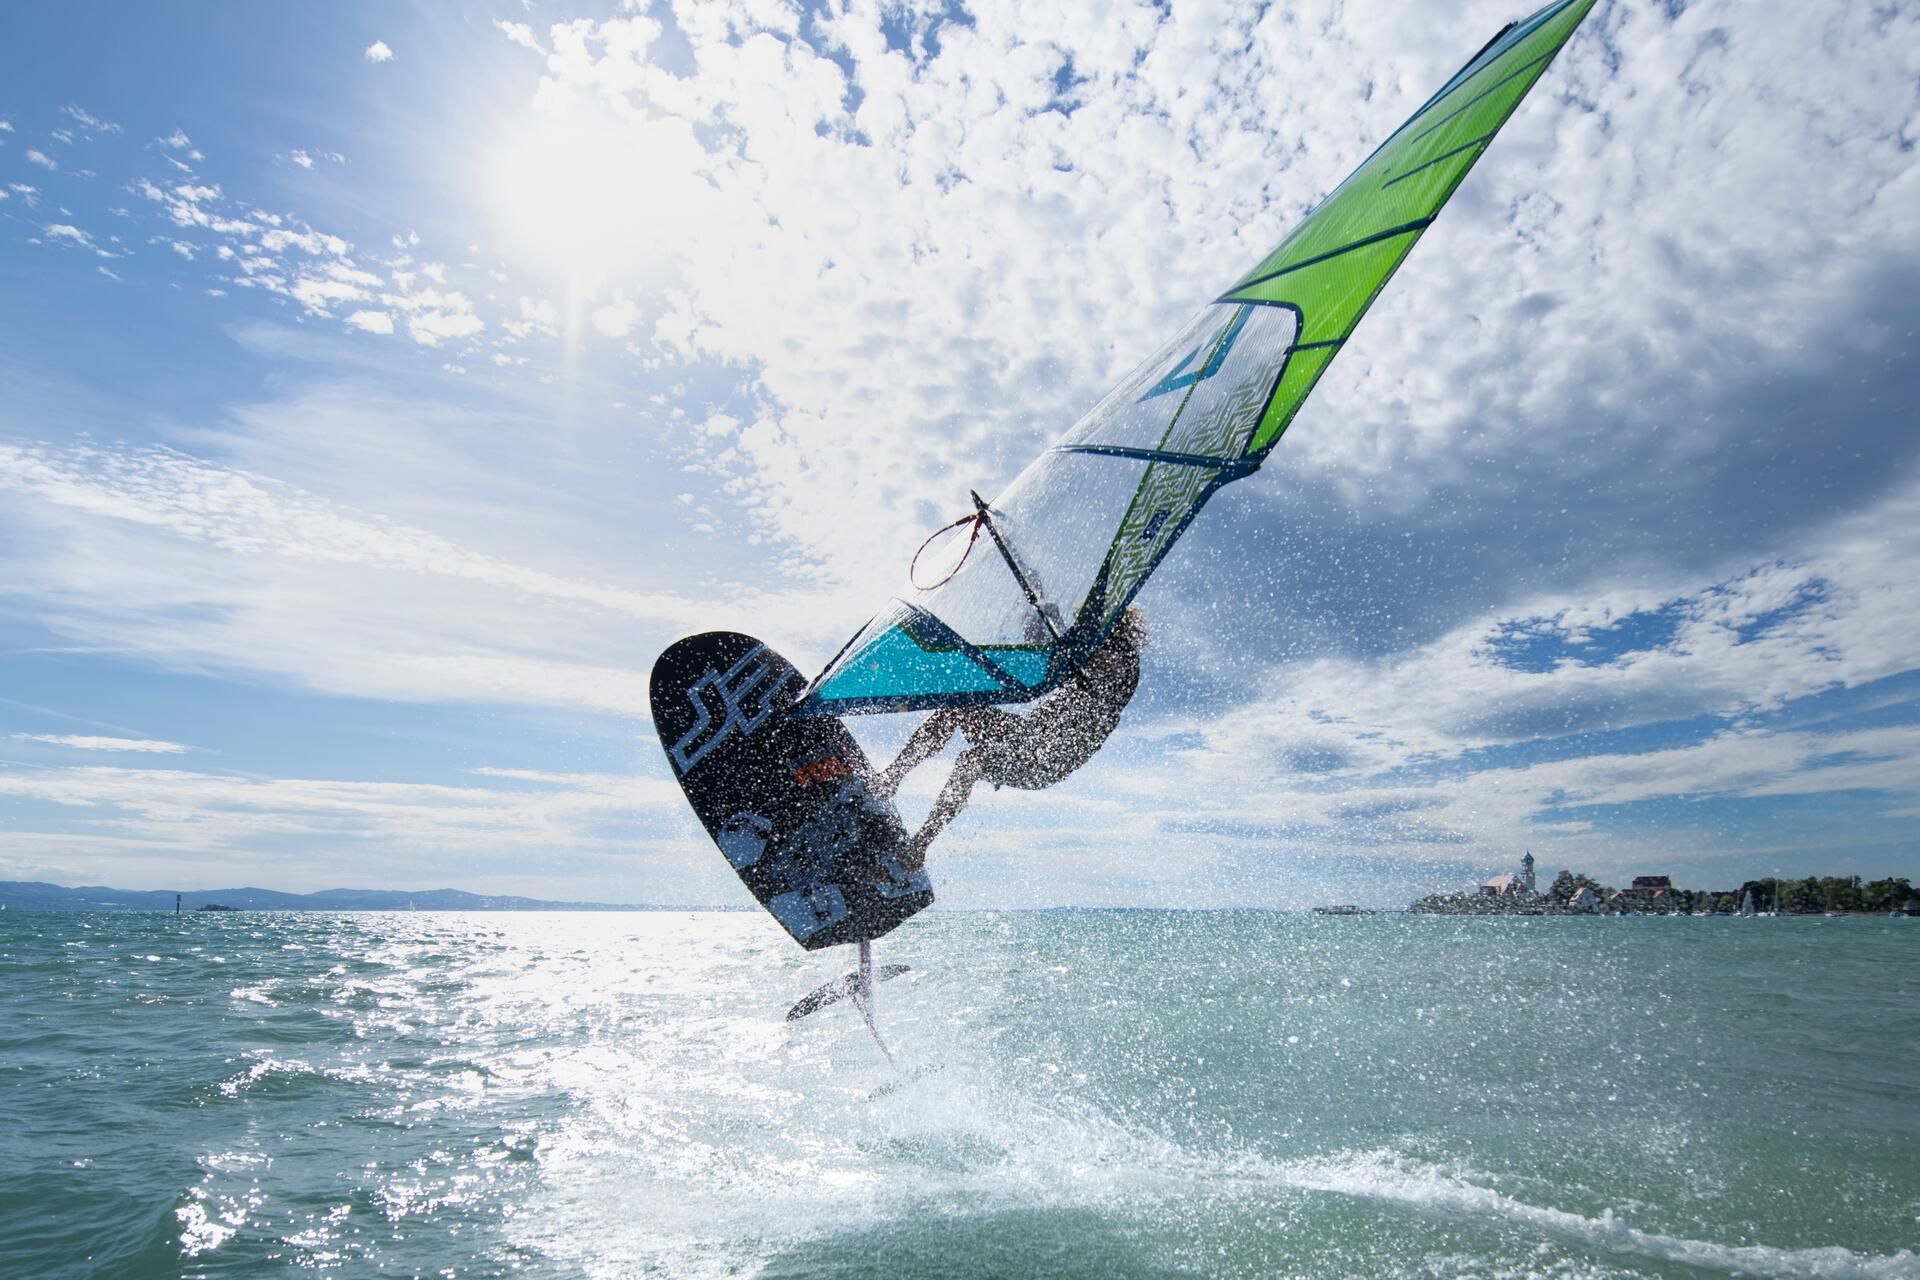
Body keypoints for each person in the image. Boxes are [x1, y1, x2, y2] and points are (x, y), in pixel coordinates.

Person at [871, 607, 1146, 868]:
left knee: (971, 761)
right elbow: (1058, 651)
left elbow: (1096, 660)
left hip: (1046, 761)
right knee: (955, 707)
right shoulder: (1087, 649)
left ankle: (919, 846)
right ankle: (891, 778)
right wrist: (1041, 622)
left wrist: (1057, 636)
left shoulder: (1124, 658)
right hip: (1026, 734)